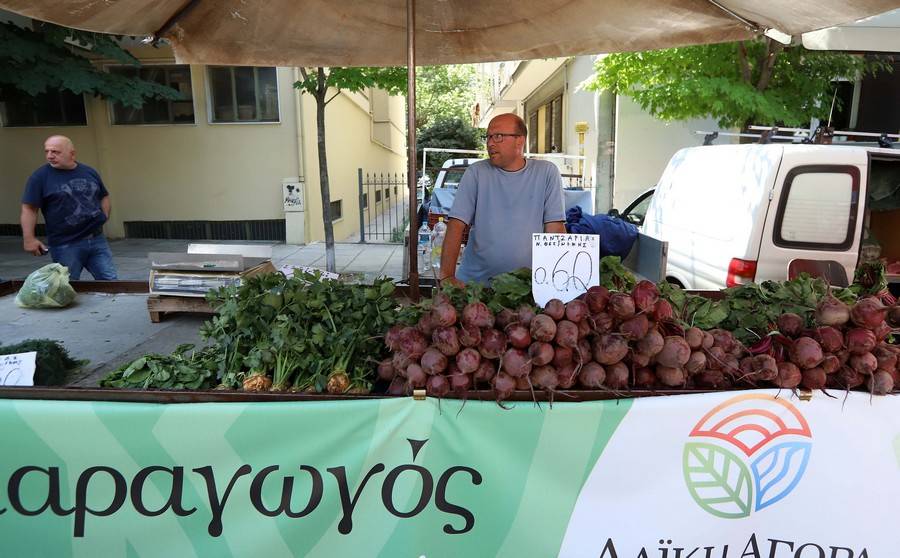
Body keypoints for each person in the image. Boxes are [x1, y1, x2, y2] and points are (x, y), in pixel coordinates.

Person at [439, 113, 566, 285]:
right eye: (488, 137)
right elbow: (456, 225)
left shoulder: (547, 173)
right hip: (476, 285)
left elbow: (555, 229)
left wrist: (556, 283)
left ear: (519, 140)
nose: (490, 143)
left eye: (498, 136)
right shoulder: (476, 173)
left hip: (528, 286)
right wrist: (446, 277)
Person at [20, 135, 118, 280]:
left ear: (72, 153)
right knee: (66, 288)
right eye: (47, 151)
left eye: (55, 152)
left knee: (112, 284)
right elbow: (29, 208)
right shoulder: (40, 177)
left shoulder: (89, 172)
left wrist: (103, 216)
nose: (50, 156)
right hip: (65, 244)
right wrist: (29, 239)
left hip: (96, 239)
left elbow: (103, 195)